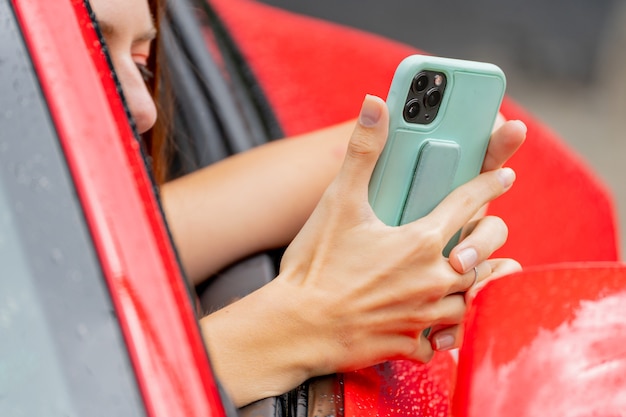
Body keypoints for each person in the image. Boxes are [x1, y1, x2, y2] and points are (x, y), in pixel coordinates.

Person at [89, 0, 526, 407]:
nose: (145, 111)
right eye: (91, 54)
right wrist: (306, 318)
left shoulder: (98, 233)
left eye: (144, 67)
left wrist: (418, 242)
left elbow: (337, 159)